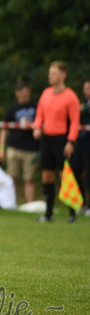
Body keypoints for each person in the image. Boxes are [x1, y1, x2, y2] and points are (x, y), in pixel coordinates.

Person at [32, 60, 81, 223]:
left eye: (54, 73)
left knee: (65, 176)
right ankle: (48, 213)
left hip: (62, 140)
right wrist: (37, 127)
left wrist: (71, 141)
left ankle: (72, 213)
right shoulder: (46, 93)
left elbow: (75, 121)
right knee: (47, 176)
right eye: (50, 73)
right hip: (47, 139)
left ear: (63, 75)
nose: (50, 76)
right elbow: (39, 114)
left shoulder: (70, 96)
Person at [0, 80, 40, 204]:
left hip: (31, 148)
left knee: (29, 179)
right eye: (20, 94)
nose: (23, 96)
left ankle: (30, 205)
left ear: (29, 92)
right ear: (16, 94)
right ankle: (11, 203)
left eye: (25, 94)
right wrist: (1, 149)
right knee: (12, 178)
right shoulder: (12, 108)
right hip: (14, 147)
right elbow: (4, 129)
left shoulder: (36, 106)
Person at [74, 78, 90, 216]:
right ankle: (83, 203)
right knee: (76, 171)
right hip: (81, 141)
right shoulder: (82, 105)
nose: (87, 91)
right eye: (85, 88)